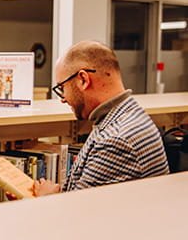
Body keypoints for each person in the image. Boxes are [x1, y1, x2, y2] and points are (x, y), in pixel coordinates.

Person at [33, 40, 168, 196]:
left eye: (62, 88)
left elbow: (78, 215)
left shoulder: (116, 140)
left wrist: (46, 198)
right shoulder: (131, 114)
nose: (63, 98)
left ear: (83, 79)